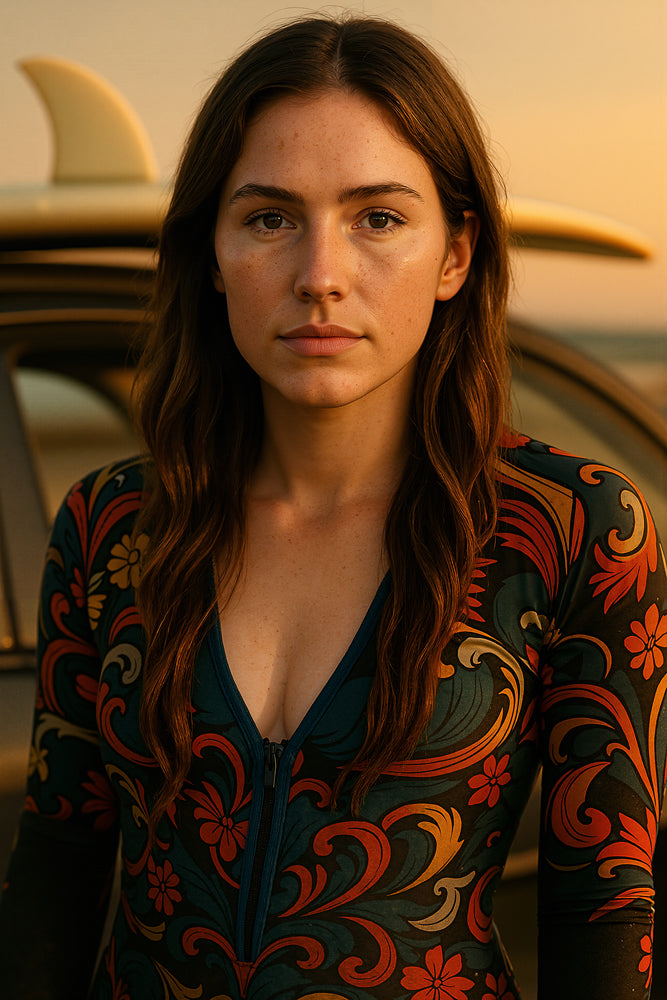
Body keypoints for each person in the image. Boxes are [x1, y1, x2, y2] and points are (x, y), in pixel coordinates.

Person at [0, 13, 664, 1000]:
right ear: (211, 251)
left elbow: (603, 916)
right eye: (268, 218)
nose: (319, 277)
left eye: (378, 219)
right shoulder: (110, 526)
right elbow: (52, 884)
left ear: (455, 255)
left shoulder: (573, 530)